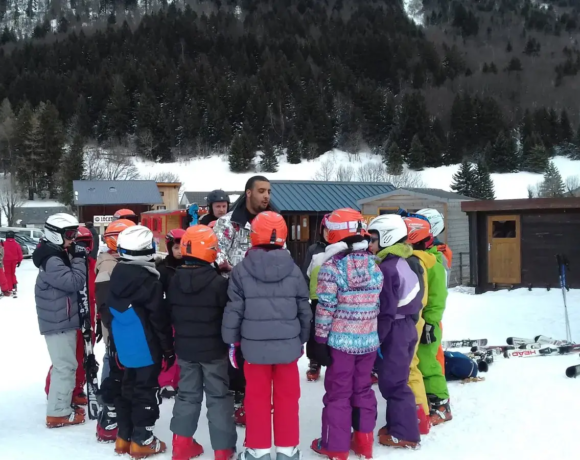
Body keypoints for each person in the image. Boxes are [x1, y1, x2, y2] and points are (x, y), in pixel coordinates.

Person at [222, 211, 311, 460]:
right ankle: (287, 449)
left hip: (253, 349)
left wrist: (231, 341)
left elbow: (234, 310)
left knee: (256, 398)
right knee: (288, 398)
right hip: (288, 348)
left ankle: (258, 450)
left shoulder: (240, 271)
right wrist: (302, 339)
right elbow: (304, 308)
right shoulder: (294, 271)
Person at [310, 208, 383, 460]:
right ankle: (364, 443)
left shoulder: (331, 268)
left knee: (338, 394)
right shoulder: (375, 265)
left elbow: (325, 307)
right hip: (369, 341)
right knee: (362, 390)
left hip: (341, 343)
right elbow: (376, 303)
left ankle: (336, 447)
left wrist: (319, 340)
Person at [169, 225, 237, 460]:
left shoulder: (175, 280)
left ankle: (180, 446)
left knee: (187, 395)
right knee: (218, 397)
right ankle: (223, 449)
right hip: (214, 351)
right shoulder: (219, 284)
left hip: (185, 350)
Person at [107, 225, 173, 457]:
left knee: (128, 388)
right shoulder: (149, 280)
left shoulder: (117, 274)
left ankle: (124, 437)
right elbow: (158, 318)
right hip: (146, 344)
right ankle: (143, 439)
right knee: (147, 390)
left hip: (124, 343)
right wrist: (168, 348)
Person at [214, 175, 272, 425]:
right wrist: (225, 266)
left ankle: (256, 396)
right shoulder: (228, 224)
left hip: (267, 302)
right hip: (235, 299)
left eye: (268, 191)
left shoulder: (274, 222)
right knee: (235, 352)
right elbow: (215, 253)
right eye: (261, 191)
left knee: (261, 353)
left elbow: (284, 254)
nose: (266, 196)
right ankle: (237, 396)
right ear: (248, 193)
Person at [367, 215, 422, 449]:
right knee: (397, 378)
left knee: (393, 383)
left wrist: (377, 339)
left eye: (373, 240)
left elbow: (386, 311)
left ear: (387, 237)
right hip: (407, 325)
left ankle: (405, 433)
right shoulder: (408, 261)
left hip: (395, 330)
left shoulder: (387, 269)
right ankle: (397, 424)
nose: (369, 245)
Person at [33, 213, 87, 428]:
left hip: (60, 318)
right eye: (70, 235)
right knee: (65, 366)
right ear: (55, 235)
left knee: (65, 364)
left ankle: (62, 404)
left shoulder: (54, 253)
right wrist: (79, 259)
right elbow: (75, 281)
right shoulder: (53, 259)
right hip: (58, 320)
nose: (73, 239)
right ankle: (58, 413)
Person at [403, 216, 452, 425]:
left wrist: (431, 322)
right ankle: (423, 403)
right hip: (417, 321)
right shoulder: (415, 259)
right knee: (417, 363)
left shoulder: (433, 262)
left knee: (428, 362)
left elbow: (437, 297)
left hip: (428, 321)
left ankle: (441, 405)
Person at [44, 226, 97, 407]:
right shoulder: (65, 263)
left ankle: (76, 388)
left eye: (85, 244)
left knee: (85, 354)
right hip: (71, 316)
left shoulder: (91, 263)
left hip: (88, 314)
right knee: (67, 357)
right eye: (77, 243)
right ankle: (57, 391)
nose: (81, 248)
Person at [94, 218, 136, 442]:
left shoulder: (121, 260)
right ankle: (109, 412)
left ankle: (115, 408)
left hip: (122, 325)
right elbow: (103, 299)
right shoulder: (109, 263)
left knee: (120, 367)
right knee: (113, 366)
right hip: (116, 327)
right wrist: (113, 326)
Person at [402, 217, 436, 435]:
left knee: (409, 368)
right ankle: (419, 416)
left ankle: (419, 417)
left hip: (411, 320)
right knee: (409, 367)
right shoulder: (418, 260)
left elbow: (416, 297)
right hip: (415, 319)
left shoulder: (413, 262)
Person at [156, 228, 186, 399]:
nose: (180, 252)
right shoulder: (163, 269)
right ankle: (166, 381)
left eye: (182, 247)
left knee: (183, 349)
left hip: (185, 315)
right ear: (169, 248)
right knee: (169, 349)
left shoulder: (191, 266)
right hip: (168, 316)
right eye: (176, 248)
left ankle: (180, 381)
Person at [303, 215, 332, 381]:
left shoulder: (341, 249)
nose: (329, 234)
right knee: (315, 331)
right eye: (326, 230)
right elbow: (306, 272)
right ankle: (314, 361)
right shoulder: (314, 250)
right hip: (316, 297)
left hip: (334, 298)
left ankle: (333, 358)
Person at [4, 230, 23, 297]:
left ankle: (9, 287)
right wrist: (19, 261)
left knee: (7, 273)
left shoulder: (3, 244)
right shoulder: (16, 244)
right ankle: (14, 285)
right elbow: (20, 253)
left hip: (6, 261)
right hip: (14, 261)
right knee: (12, 273)